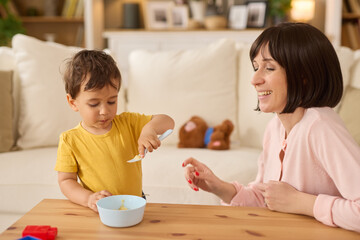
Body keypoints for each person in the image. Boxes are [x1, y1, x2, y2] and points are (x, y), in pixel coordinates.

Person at [183, 22, 360, 232]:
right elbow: (267, 198)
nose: (254, 79)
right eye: (256, 67)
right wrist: (219, 187)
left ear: (303, 76)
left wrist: (302, 203)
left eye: (269, 68)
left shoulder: (321, 127)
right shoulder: (274, 128)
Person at [55, 50, 174, 212]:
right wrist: (88, 198)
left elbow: (168, 122)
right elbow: (66, 181)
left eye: (111, 101)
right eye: (94, 104)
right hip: (98, 210)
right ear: (73, 102)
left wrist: (149, 129)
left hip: (134, 206)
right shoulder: (70, 140)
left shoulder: (129, 123)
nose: (104, 111)